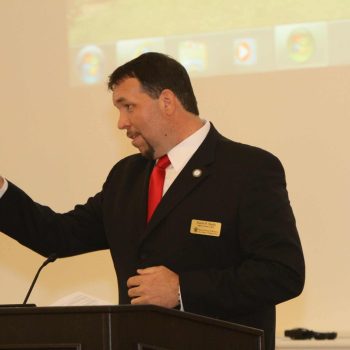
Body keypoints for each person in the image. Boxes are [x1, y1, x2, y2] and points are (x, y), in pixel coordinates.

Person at [0, 52, 304, 350]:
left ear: (167, 101)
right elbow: (58, 235)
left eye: (128, 107)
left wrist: (182, 289)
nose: (121, 122)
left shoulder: (247, 169)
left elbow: (282, 273)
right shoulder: (126, 177)